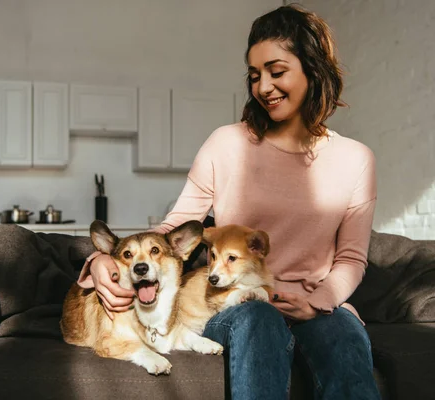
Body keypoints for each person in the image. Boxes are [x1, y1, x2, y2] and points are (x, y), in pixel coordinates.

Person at [77, 4, 381, 400]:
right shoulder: (226, 144)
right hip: (233, 305)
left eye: (276, 71)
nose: (263, 87)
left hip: (314, 303)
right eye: (254, 76)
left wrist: (320, 302)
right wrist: (103, 260)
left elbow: (352, 259)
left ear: (312, 68)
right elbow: (169, 234)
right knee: (258, 317)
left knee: (342, 333)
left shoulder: (356, 160)